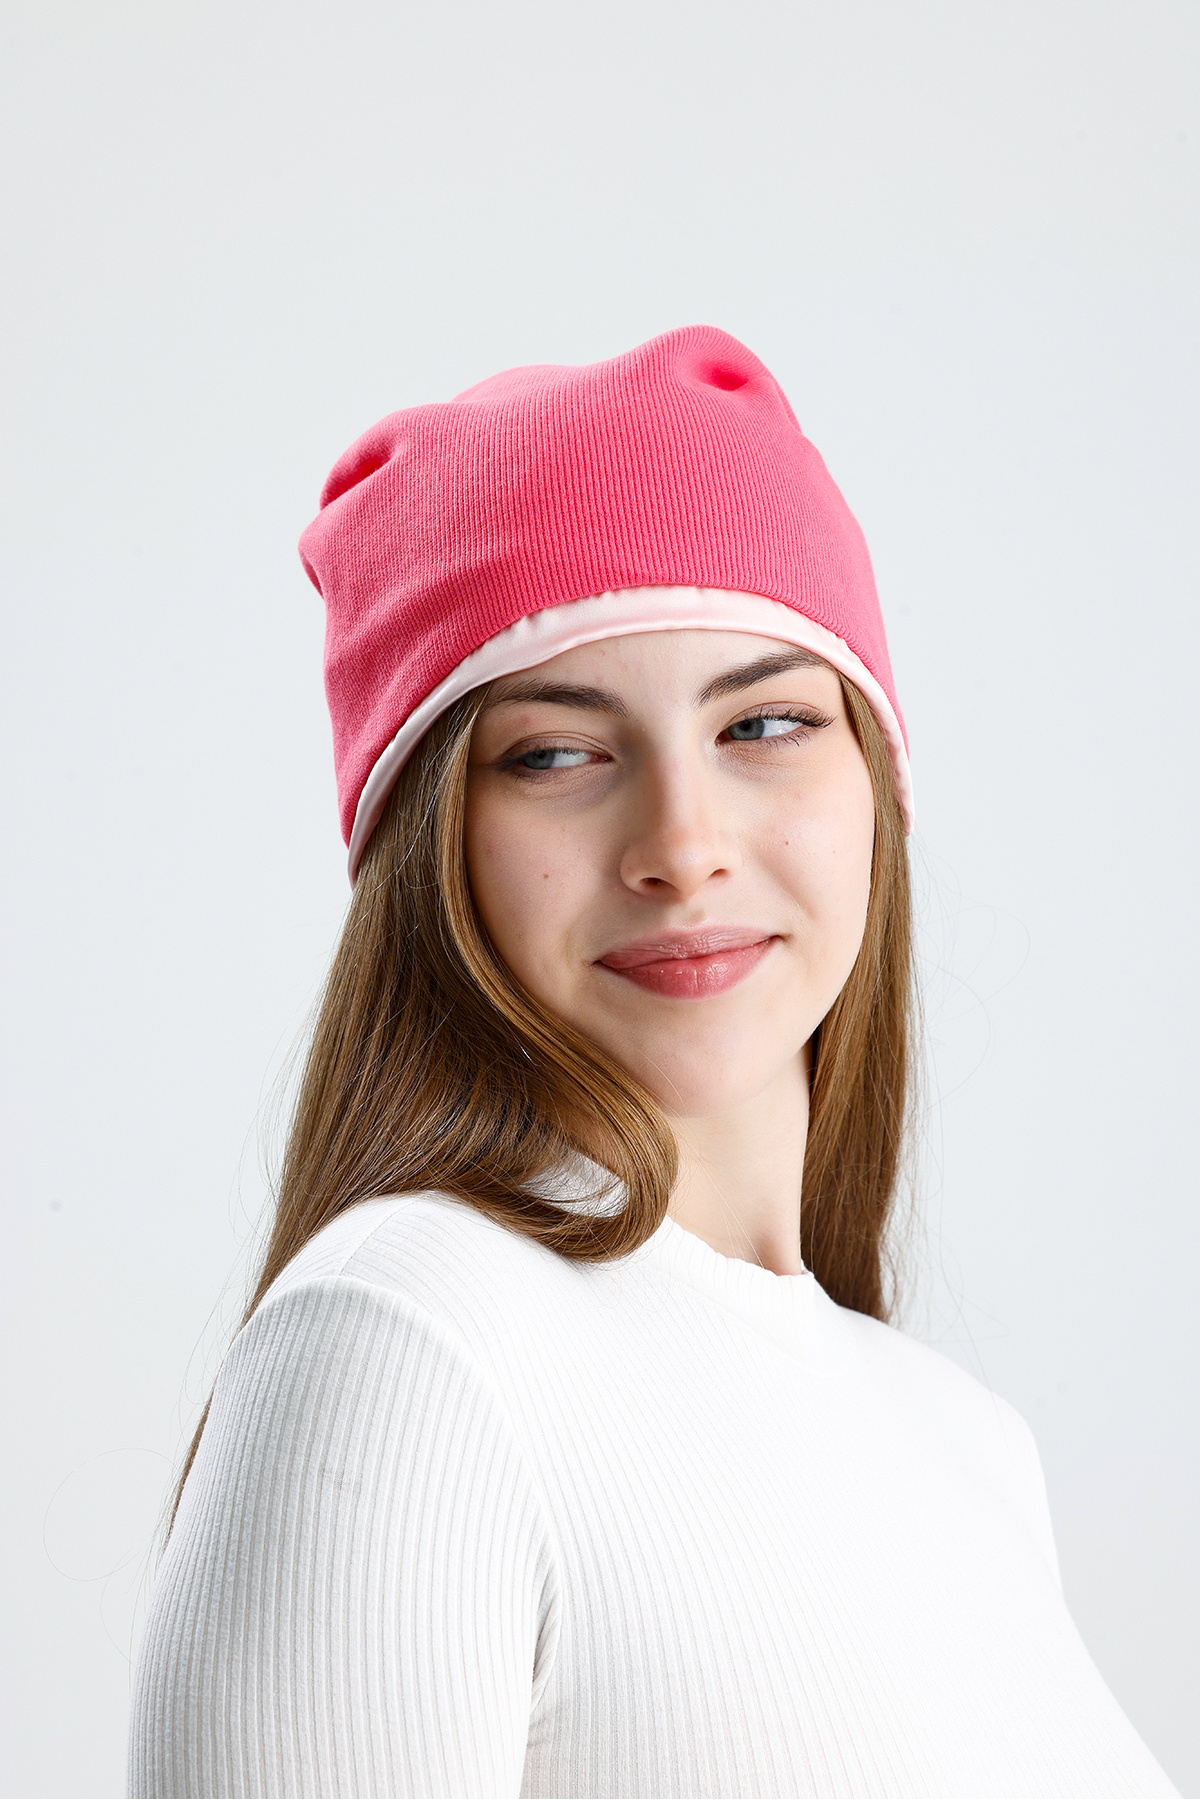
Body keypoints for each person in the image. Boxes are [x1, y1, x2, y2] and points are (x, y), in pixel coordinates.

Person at [127, 326, 1175, 1799]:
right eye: (556, 753)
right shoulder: (412, 1339)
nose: (684, 846)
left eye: (767, 723)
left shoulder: (971, 1447)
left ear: (877, 785)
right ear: (434, 847)